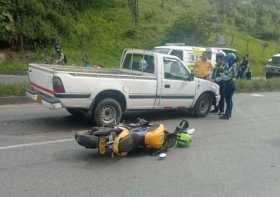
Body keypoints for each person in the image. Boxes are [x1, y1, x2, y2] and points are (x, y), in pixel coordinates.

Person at [219, 54, 236, 120]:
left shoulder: (233, 67)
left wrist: (222, 75)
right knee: (228, 100)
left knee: (229, 101)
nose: (226, 60)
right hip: (227, 84)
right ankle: (228, 114)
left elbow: (228, 77)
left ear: (230, 60)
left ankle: (227, 115)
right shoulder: (228, 66)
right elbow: (224, 74)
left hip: (230, 84)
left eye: (227, 59)